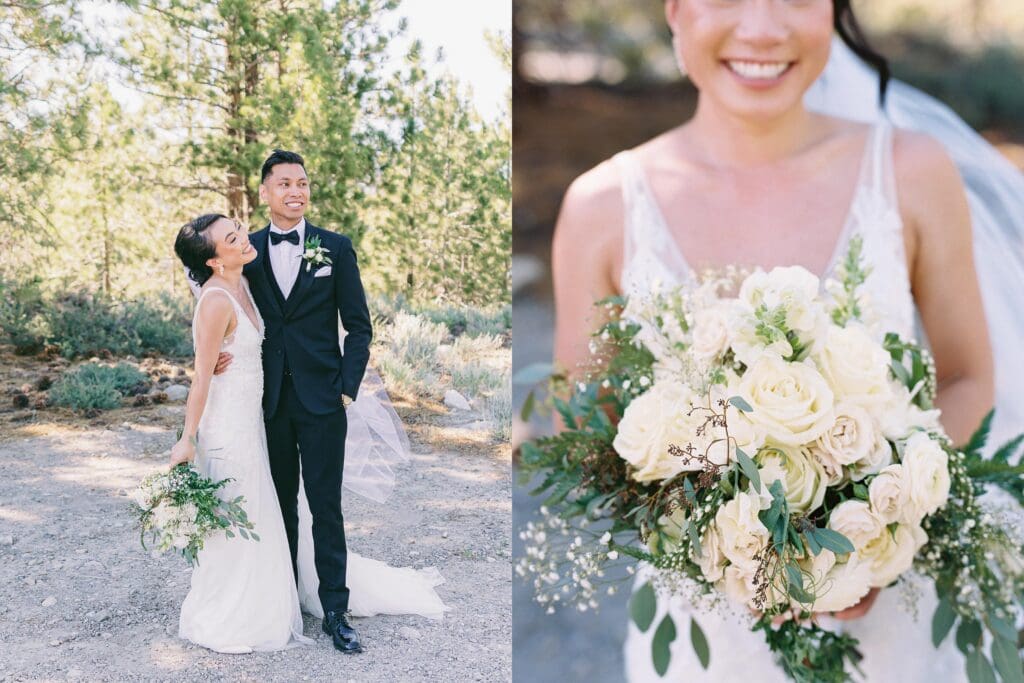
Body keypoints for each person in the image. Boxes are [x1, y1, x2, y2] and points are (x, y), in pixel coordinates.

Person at [550, 1, 995, 679]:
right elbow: (577, 423)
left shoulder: (912, 171)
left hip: (893, 640)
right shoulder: (601, 205)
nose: (761, 28)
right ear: (674, 10)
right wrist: (710, 530)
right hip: (707, 649)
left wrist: (882, 527)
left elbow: (968, 377)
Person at [170, 149, 447, 656]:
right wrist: (214, 360)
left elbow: (359, 326)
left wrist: (346, 385)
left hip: (324, 401)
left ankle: (335, 611)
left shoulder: (335, 249)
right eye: (284, 184)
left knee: (326, 509)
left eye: (302, 182)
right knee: (279, 508)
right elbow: (215, 301)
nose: (295, 191)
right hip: (266, 406)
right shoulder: (245, 250)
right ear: (266, 192)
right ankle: (286, 600)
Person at [171, 214, 310, 653]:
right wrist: (186, 439)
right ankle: (234, 613)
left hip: (252, 421)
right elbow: (200, 379)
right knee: (236, 515)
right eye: (232, 238)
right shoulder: (215, 300)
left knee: (258, 510)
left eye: (239, 228)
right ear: (213, 260)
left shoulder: (242, 282)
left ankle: (264, 601)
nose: (244, 238)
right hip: (227, 425)